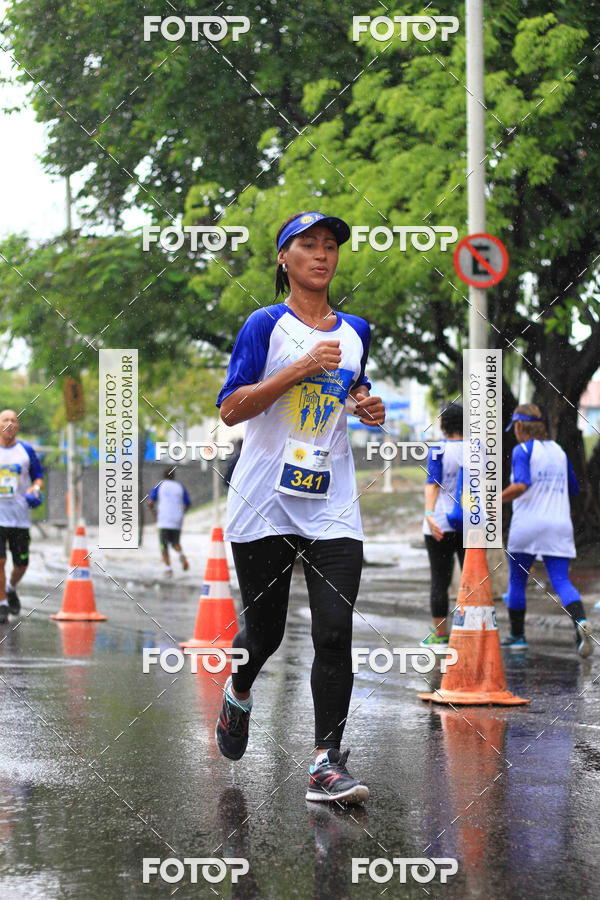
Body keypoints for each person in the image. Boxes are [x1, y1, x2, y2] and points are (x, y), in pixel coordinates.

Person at [214, 211, 385, 805]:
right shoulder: (264, 325)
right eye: (307, 245)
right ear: (283, 259)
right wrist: (299, 368)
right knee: (265, 635)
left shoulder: (358, 328)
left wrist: (367, 404)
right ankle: (239, 684)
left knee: (335, 633)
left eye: (331, 245)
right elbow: (232, 409)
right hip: (264, 501)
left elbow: (351, 387)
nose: (322, 254)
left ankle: (325, 763)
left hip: (332, 502)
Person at [501, 403, 593, 657]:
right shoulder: (559, 452)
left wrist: (494, 500)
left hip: (527, 525)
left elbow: (521, 485)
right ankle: (580, 622)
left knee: (517, 580)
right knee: (562, 580)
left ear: (520, 427)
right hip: (558, 525)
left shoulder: (522, 450)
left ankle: (517, 636)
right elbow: (573, 488)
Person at [421, 402, 465, 646]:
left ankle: (440, 636)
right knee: (471, 580)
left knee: (440, 579)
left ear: (444, 424)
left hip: (439, 523)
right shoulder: (477, 449)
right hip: (469, 523)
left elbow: (433, 484)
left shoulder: (438, 448)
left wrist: (429, 513)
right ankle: (469, 631)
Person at [0, 410, 44, 625]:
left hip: (20, 517)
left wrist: (35, 490)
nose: (9, 423)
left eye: (13, 420)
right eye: (5, 420)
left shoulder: (26, 450)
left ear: (17, 426)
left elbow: (38, 476)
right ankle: (1, 604)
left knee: (22, 564)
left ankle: (10, 588)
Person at [147, 467, 191, 577]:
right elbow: (188, 503)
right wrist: (181, 513)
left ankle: (168, 569)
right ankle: (182, 556)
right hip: (177, 519)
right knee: (175, 543)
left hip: (164, 520)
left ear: (163, 475)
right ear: (174, 476)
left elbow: (150, 502)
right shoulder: (180, 487)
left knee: (163, 545)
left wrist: (154, 514)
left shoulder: (160, 486)